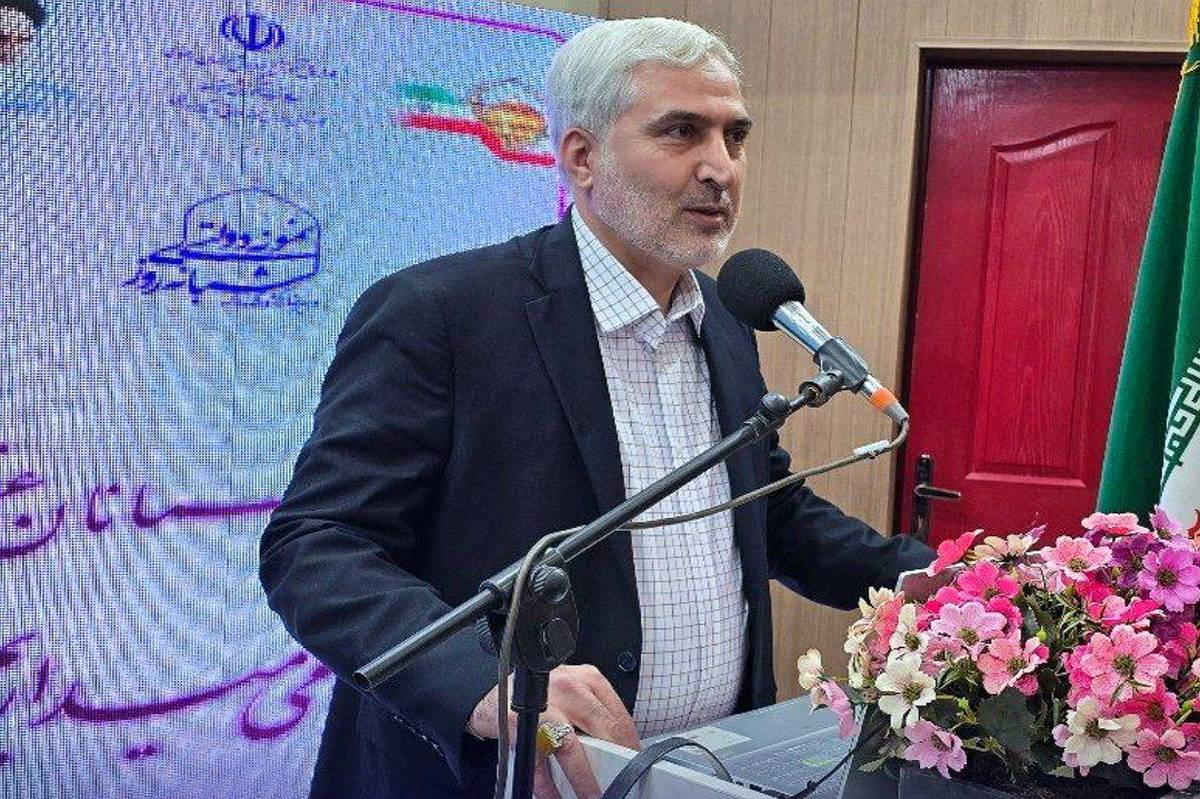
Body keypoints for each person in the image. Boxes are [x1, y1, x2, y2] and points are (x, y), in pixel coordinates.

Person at [259, 17, 934, 799]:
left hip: (704, 773)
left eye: (735, 136)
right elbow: (318, 545)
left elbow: (764, 510)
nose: (721, 168)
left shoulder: (725, 319)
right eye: (682, 131)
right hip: (490, 777)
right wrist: (483, 684)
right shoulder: (439, 314)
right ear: (582, 157)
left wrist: (927, 577)